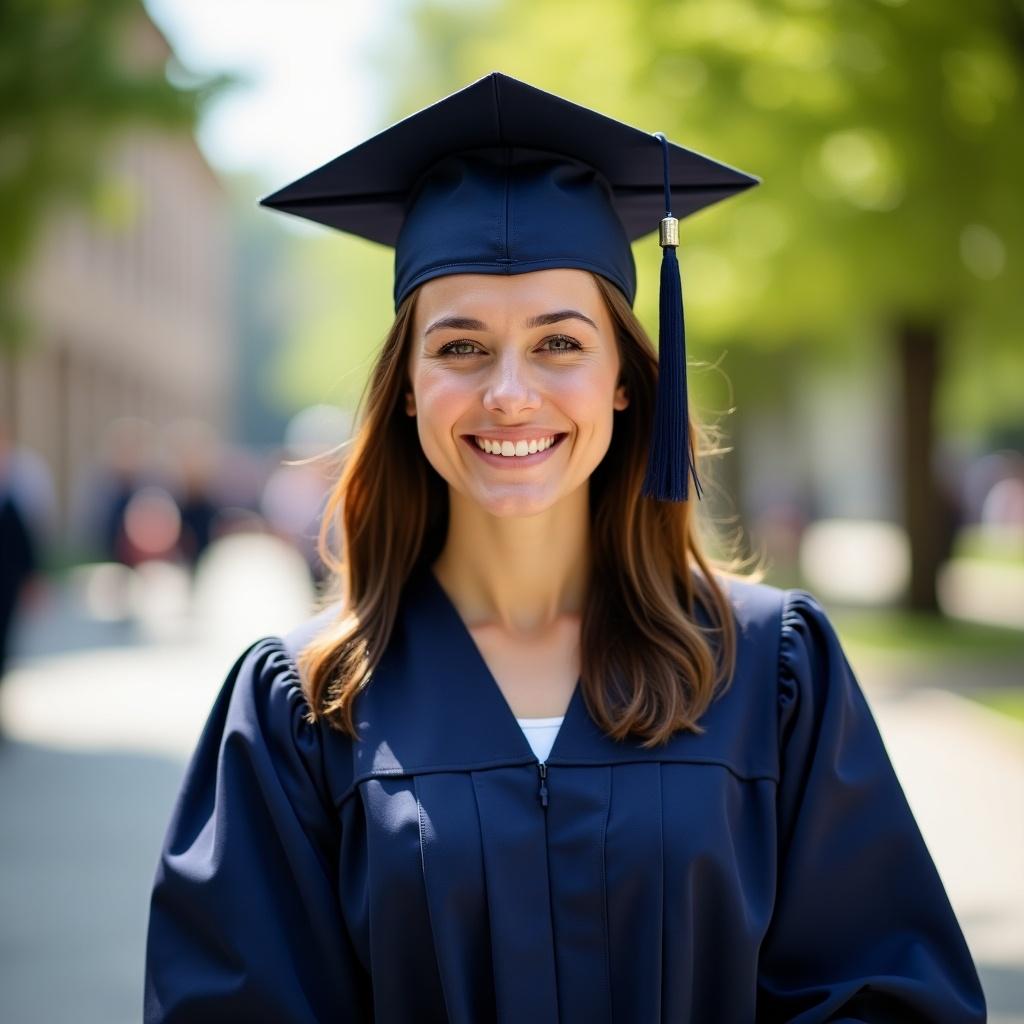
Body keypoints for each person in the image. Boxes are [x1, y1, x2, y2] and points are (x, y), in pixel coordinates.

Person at [143, 72, 986, 1022]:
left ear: (625, 378)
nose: (509, 392)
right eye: (460, 348)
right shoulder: (307, 706)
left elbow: (887, 995)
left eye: (559, 344)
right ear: (409, 387)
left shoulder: (766, 671)